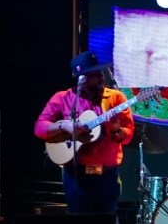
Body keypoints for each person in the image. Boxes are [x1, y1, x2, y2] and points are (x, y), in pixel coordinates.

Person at [34, 51, 136, 214]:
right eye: (94, 74)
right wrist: (64, 125)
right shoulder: (63, 98)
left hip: (107, 174)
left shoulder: (116, 98)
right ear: (82, 78)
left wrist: (117, 129)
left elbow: (128, 136)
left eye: (99, 72)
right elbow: (40, 128)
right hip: (76, 175)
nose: (101, 76)